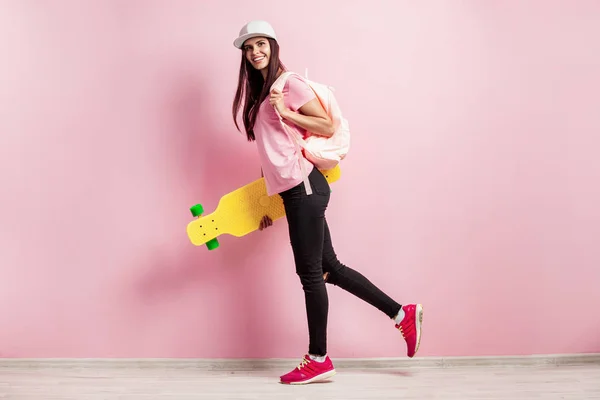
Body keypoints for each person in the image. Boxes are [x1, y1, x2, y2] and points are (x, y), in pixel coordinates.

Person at [231, 20, 423, 385]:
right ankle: (402, 314)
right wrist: (263, 201)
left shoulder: (287, 85)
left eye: (260, 44)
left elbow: (326, 125)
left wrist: (286, 112)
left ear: (273, 46)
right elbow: (272, 150)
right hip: (293, 190)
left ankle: (318, 357)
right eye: (248, 47)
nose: (255, 52)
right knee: (329, 268)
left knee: (311, 274)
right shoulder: (262, 92)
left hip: (304, 186)